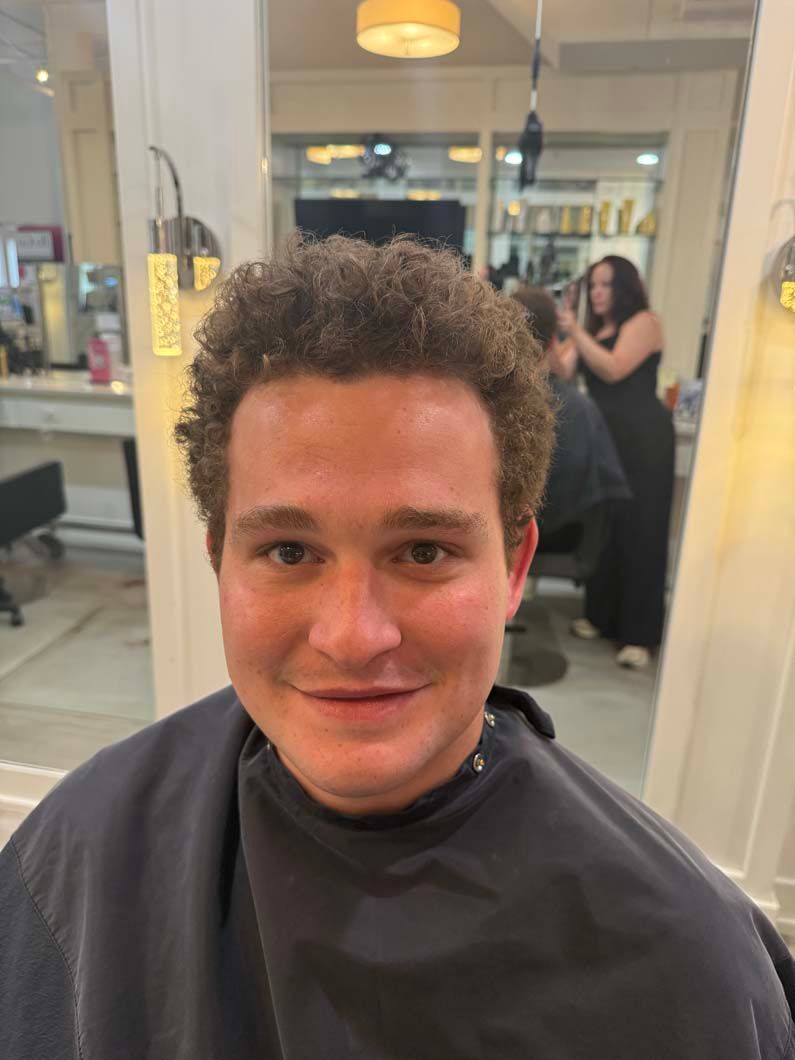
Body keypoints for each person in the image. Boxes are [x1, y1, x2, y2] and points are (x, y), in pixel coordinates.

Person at [0, 237, 792, 1060]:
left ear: (514, 567)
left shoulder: (684, 960)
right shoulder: (86, 852)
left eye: (421, 551)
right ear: (218, 562)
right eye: (287, 552)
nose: (351, 636)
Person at [557, 255, 675, 670]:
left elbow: (613, 368)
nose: (599, 293)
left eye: (606, 285)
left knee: (641, 530)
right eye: (594, 285)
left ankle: (638, 634)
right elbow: (562, 370)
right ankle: (601, 615)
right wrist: (557, 331)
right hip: (606, 440)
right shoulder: (592, 331)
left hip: (645, 439)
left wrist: (575, 332)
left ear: (624, 287)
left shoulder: (645, 322)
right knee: (606, 524)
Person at [511, 285, 631, 534]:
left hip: (524, 537)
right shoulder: (581, 406)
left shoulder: (497, 404)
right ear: (553, 341)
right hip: (575, 539)